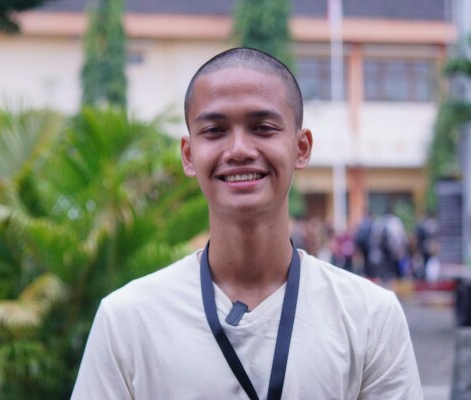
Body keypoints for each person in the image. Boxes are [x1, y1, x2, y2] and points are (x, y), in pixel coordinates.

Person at [71, 48, 423, 399]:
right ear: (189, 155)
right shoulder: (127, 320)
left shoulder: (370, 316)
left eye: (263, 128)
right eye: (215, 130)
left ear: (301, 148)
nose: (239, 149)